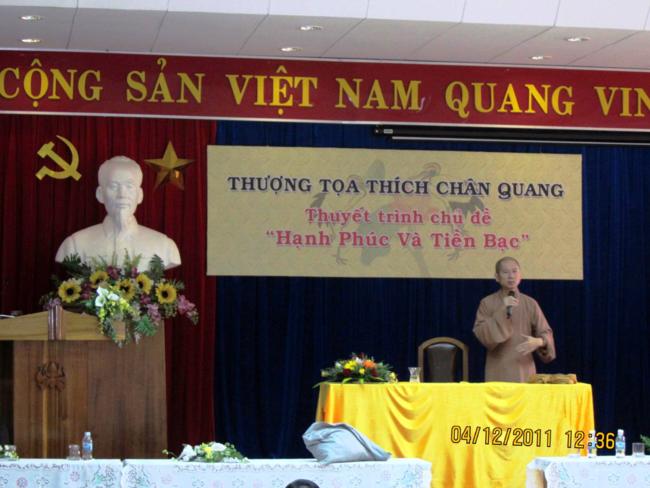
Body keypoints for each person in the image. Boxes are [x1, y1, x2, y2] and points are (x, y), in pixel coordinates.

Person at [55, 155, 181, 270]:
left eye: (129, 186)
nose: (122, 195)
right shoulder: (75, 245)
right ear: (100, 194)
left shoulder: (164, 246)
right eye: (113, 186)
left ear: (140, 195)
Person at [473, 256, 555, 382]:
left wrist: (539, 341)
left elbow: (546, 332)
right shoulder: (487, 303)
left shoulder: (530, 303)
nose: (511, 276)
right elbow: (481, 333)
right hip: (497, 368)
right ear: (497, 277)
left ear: (520, 275)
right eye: (505, 272)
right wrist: (502, 310)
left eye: (514, 271)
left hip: (524, 368)